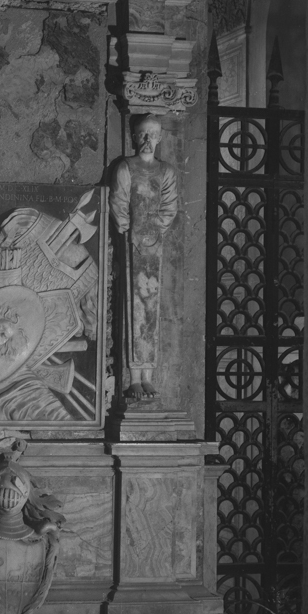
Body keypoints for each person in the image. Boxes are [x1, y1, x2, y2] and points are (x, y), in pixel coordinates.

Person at [109, 114, 180, 401]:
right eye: (143, 134)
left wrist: (153, 233)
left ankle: (148, 374)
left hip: (154, 246)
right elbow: (118, 201)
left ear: (160, 138)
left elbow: (170, 206)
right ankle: (133, 376)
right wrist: (130, 233)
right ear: (135, 137)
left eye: (153, 134)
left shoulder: (167, 171)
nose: (148, 140)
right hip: (132, 243)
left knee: (151, 307)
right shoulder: (126, 167)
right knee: (132, 306)